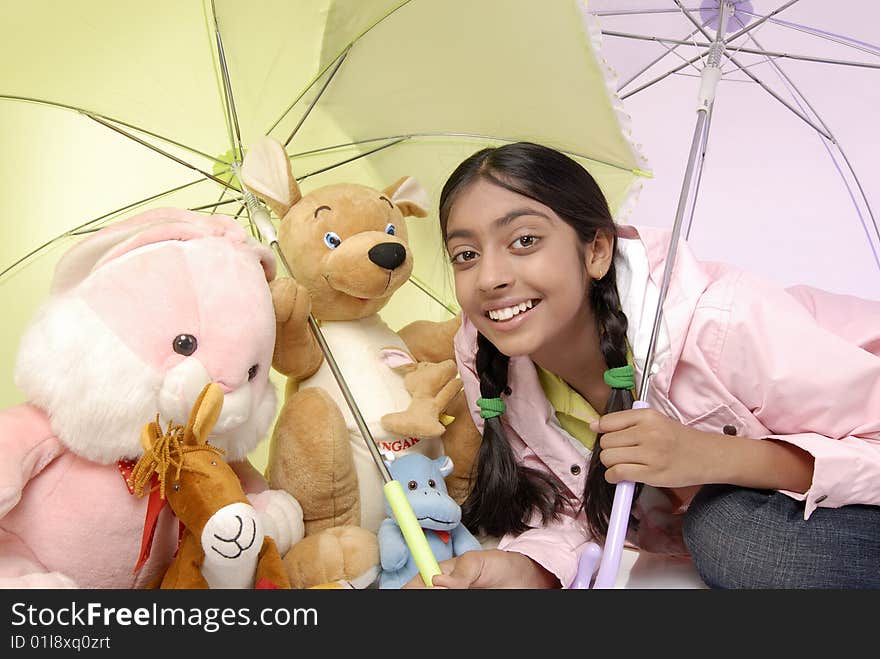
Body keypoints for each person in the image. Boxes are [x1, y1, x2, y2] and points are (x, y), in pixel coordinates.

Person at [403, 141, 880, 589]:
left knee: (728, 532)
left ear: (596, 251)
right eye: (465, 255)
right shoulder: (486, 356)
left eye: (524, 240)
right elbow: (569, 504)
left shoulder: (722, 324)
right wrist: (525, 570)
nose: (489, 278)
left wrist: (708, 455)